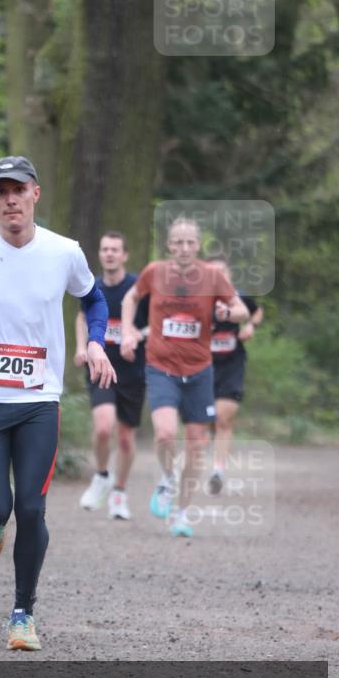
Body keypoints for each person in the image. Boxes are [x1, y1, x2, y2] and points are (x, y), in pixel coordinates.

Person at [0, 156, 115, 650]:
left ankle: (22, 613)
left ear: (36, 194)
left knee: (31, 509)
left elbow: (94, 300)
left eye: (18, 189)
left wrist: (96, 341)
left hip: (39, 401)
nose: (10, 199)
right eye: (0, 191)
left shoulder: (64, 251)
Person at [120, 218, 249, 538]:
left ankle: (181, 512)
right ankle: (167, 479)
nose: (184, 248)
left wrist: (228, 314)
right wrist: (127, 330)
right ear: (169, 245)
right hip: (161, 366)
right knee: (164, 434)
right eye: (178, 242)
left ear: (198, 245)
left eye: (190, 243)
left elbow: (242, 310)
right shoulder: (155, 272)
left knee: (195, 445)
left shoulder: (212, 276)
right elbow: (130, 298)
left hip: (199, 371)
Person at [74, 231, 149, 519]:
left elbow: (157, 324)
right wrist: (82, 347)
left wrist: (135, 336)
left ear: (125, 255)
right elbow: (82, 316)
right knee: (104, 427)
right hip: (100, 367)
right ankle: (101, 475)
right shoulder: (93, 286)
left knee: (127, 439)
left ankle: (119, 491)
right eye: (105, 249)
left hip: (132, 370)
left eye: (115, 249)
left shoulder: (138, 286)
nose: (109, 254)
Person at [206, 255, 264, 493]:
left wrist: (251, 325)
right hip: (203, 368)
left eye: (222, 273)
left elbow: (257, 311)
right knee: (210, 420)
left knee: (223, 418)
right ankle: (217, 447)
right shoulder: (196, 303)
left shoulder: (238, 299)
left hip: (231, 365)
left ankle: (218, 470)